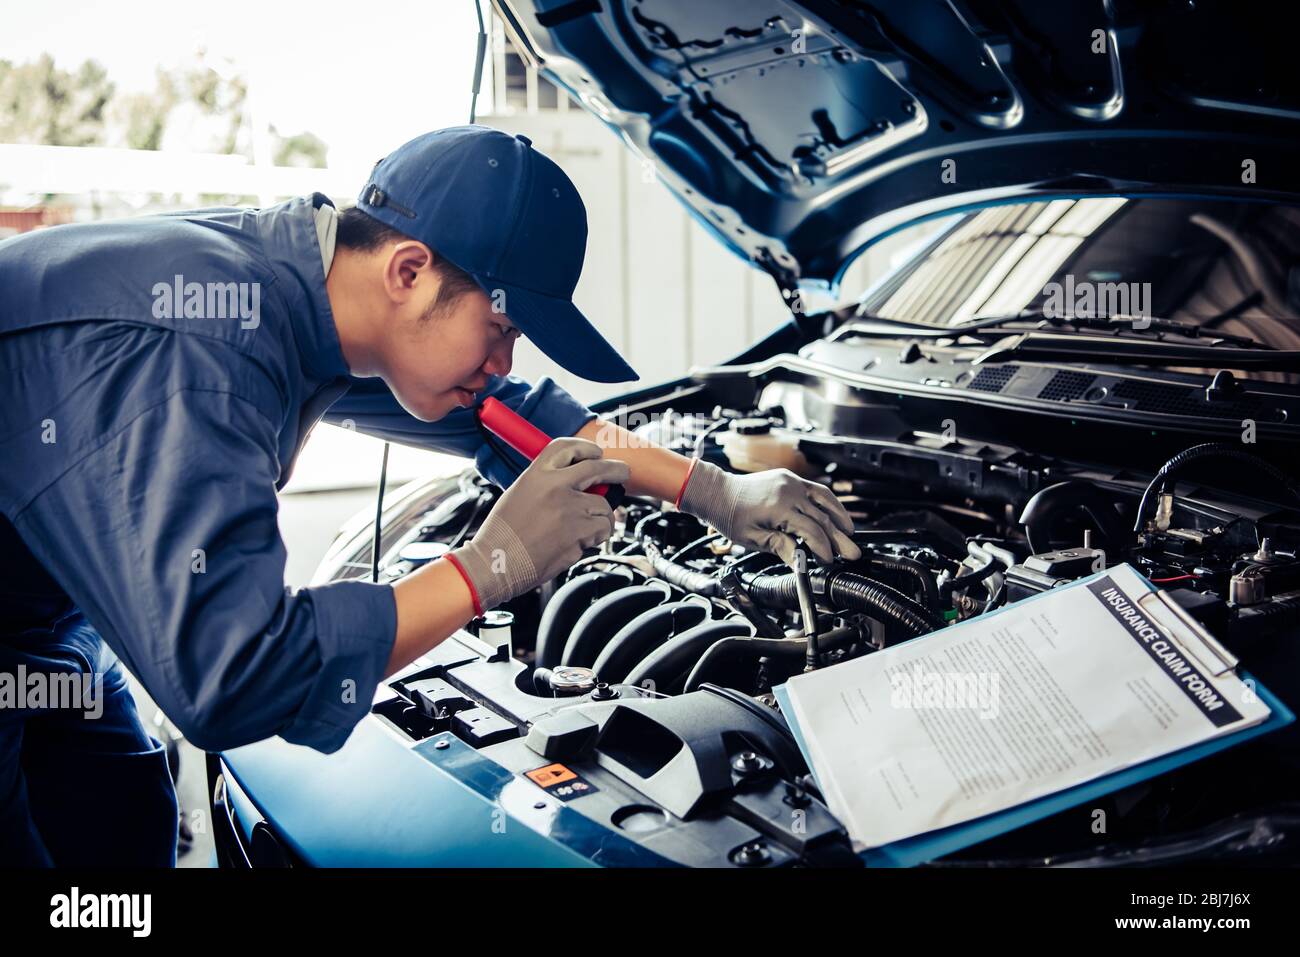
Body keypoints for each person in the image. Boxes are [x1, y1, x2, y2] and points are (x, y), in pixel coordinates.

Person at [0, 125, 860, 865]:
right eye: (503, 329)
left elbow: (521, 422)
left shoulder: (319, 290)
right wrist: (488, 566)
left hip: (45, 623)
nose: (505, 361)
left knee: (117, 823)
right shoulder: (198, 352)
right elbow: (232, 677)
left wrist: (715, 491)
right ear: (409, 270)